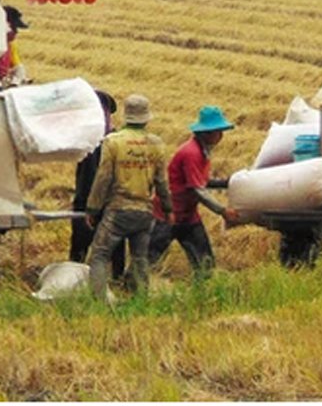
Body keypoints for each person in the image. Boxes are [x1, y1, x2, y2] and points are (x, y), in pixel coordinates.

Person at [86, 93, 172, 300]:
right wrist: (168, 209)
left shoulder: (113, 142)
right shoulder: (156, 144)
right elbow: (161, 181)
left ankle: (99, 302)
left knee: (99, 255)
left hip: (118, 210)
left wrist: (92, 209)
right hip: (144, 211)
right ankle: (140, 299)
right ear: (146, 118)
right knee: (140, 258)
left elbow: (103, 178)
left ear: (126, 116)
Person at [148, 105, 237, 279]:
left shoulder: (203, 151)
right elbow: (198, 190)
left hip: (188, 215)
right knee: (150, 260)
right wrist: (222, 211)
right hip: (168, 213)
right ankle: (133, 289)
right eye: (218, 131)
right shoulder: (192, 153)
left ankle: (202, 291)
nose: (221, 136)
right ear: (206, 133)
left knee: (205, 263)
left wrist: (228, 183)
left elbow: (201, 181)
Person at [69, 90, 125, 278]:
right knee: (114, 247)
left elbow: (89, 177)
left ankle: (75, 280)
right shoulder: (118, 139)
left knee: (81, 248)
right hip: (115, 203)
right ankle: (116, 282)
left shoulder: (91, 141)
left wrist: (88, 208)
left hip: (91, 204)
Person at [0, 5, 29, 85]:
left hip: (0, 79)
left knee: (20, 69)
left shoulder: (10, 44)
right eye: (14, 27)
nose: (16, 32)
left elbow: (16, 63)